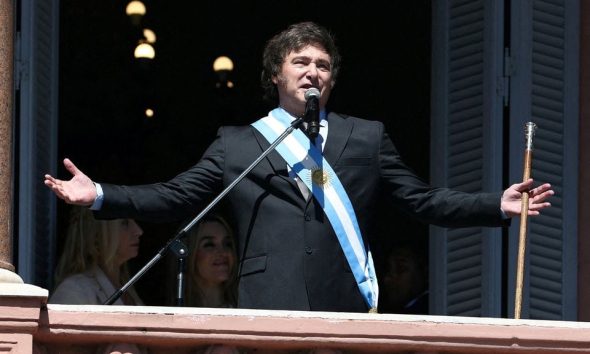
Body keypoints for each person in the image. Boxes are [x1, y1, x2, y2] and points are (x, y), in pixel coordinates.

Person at [44, 21, 554, 313]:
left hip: (344, 300)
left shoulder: (367, 136)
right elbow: (176, 196)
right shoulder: (238, 144)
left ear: (333, 79)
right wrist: (102, 195)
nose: (313, 71)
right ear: (275, 74)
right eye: (300, 62)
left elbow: (422, 200)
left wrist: (497, 204)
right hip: (269, 299)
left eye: (324, 64)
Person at [50, 206, 144, 305]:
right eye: (124, 223)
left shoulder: (129, 289)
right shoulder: (75, 290)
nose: (138, 231)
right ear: (97, 235)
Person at [184, 214, 238, 308]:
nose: (222, 252)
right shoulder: (172, 313)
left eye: (227, 244)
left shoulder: (245, 311)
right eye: (209, 245)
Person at [378, 240, 429, 315]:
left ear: (425, 272)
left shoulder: (432, 310)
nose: (387, 279)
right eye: (388, 269)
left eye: (400, 269)